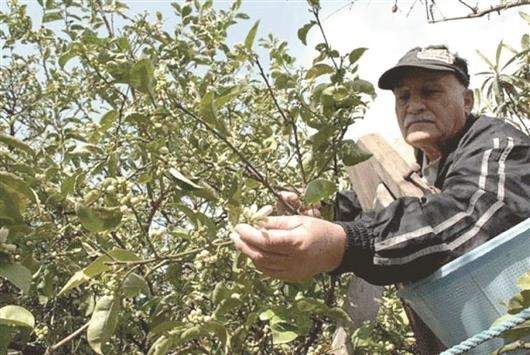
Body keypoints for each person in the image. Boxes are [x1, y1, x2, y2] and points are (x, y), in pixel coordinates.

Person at [231, 45, 530, 286]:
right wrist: (321, 208)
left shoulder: (498, 145)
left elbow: (468, 217)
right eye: (403, 96)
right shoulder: (417, 163)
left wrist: (348, 243)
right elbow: (369, 203)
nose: (414, 105)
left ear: (467, 101)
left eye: (430, 91)